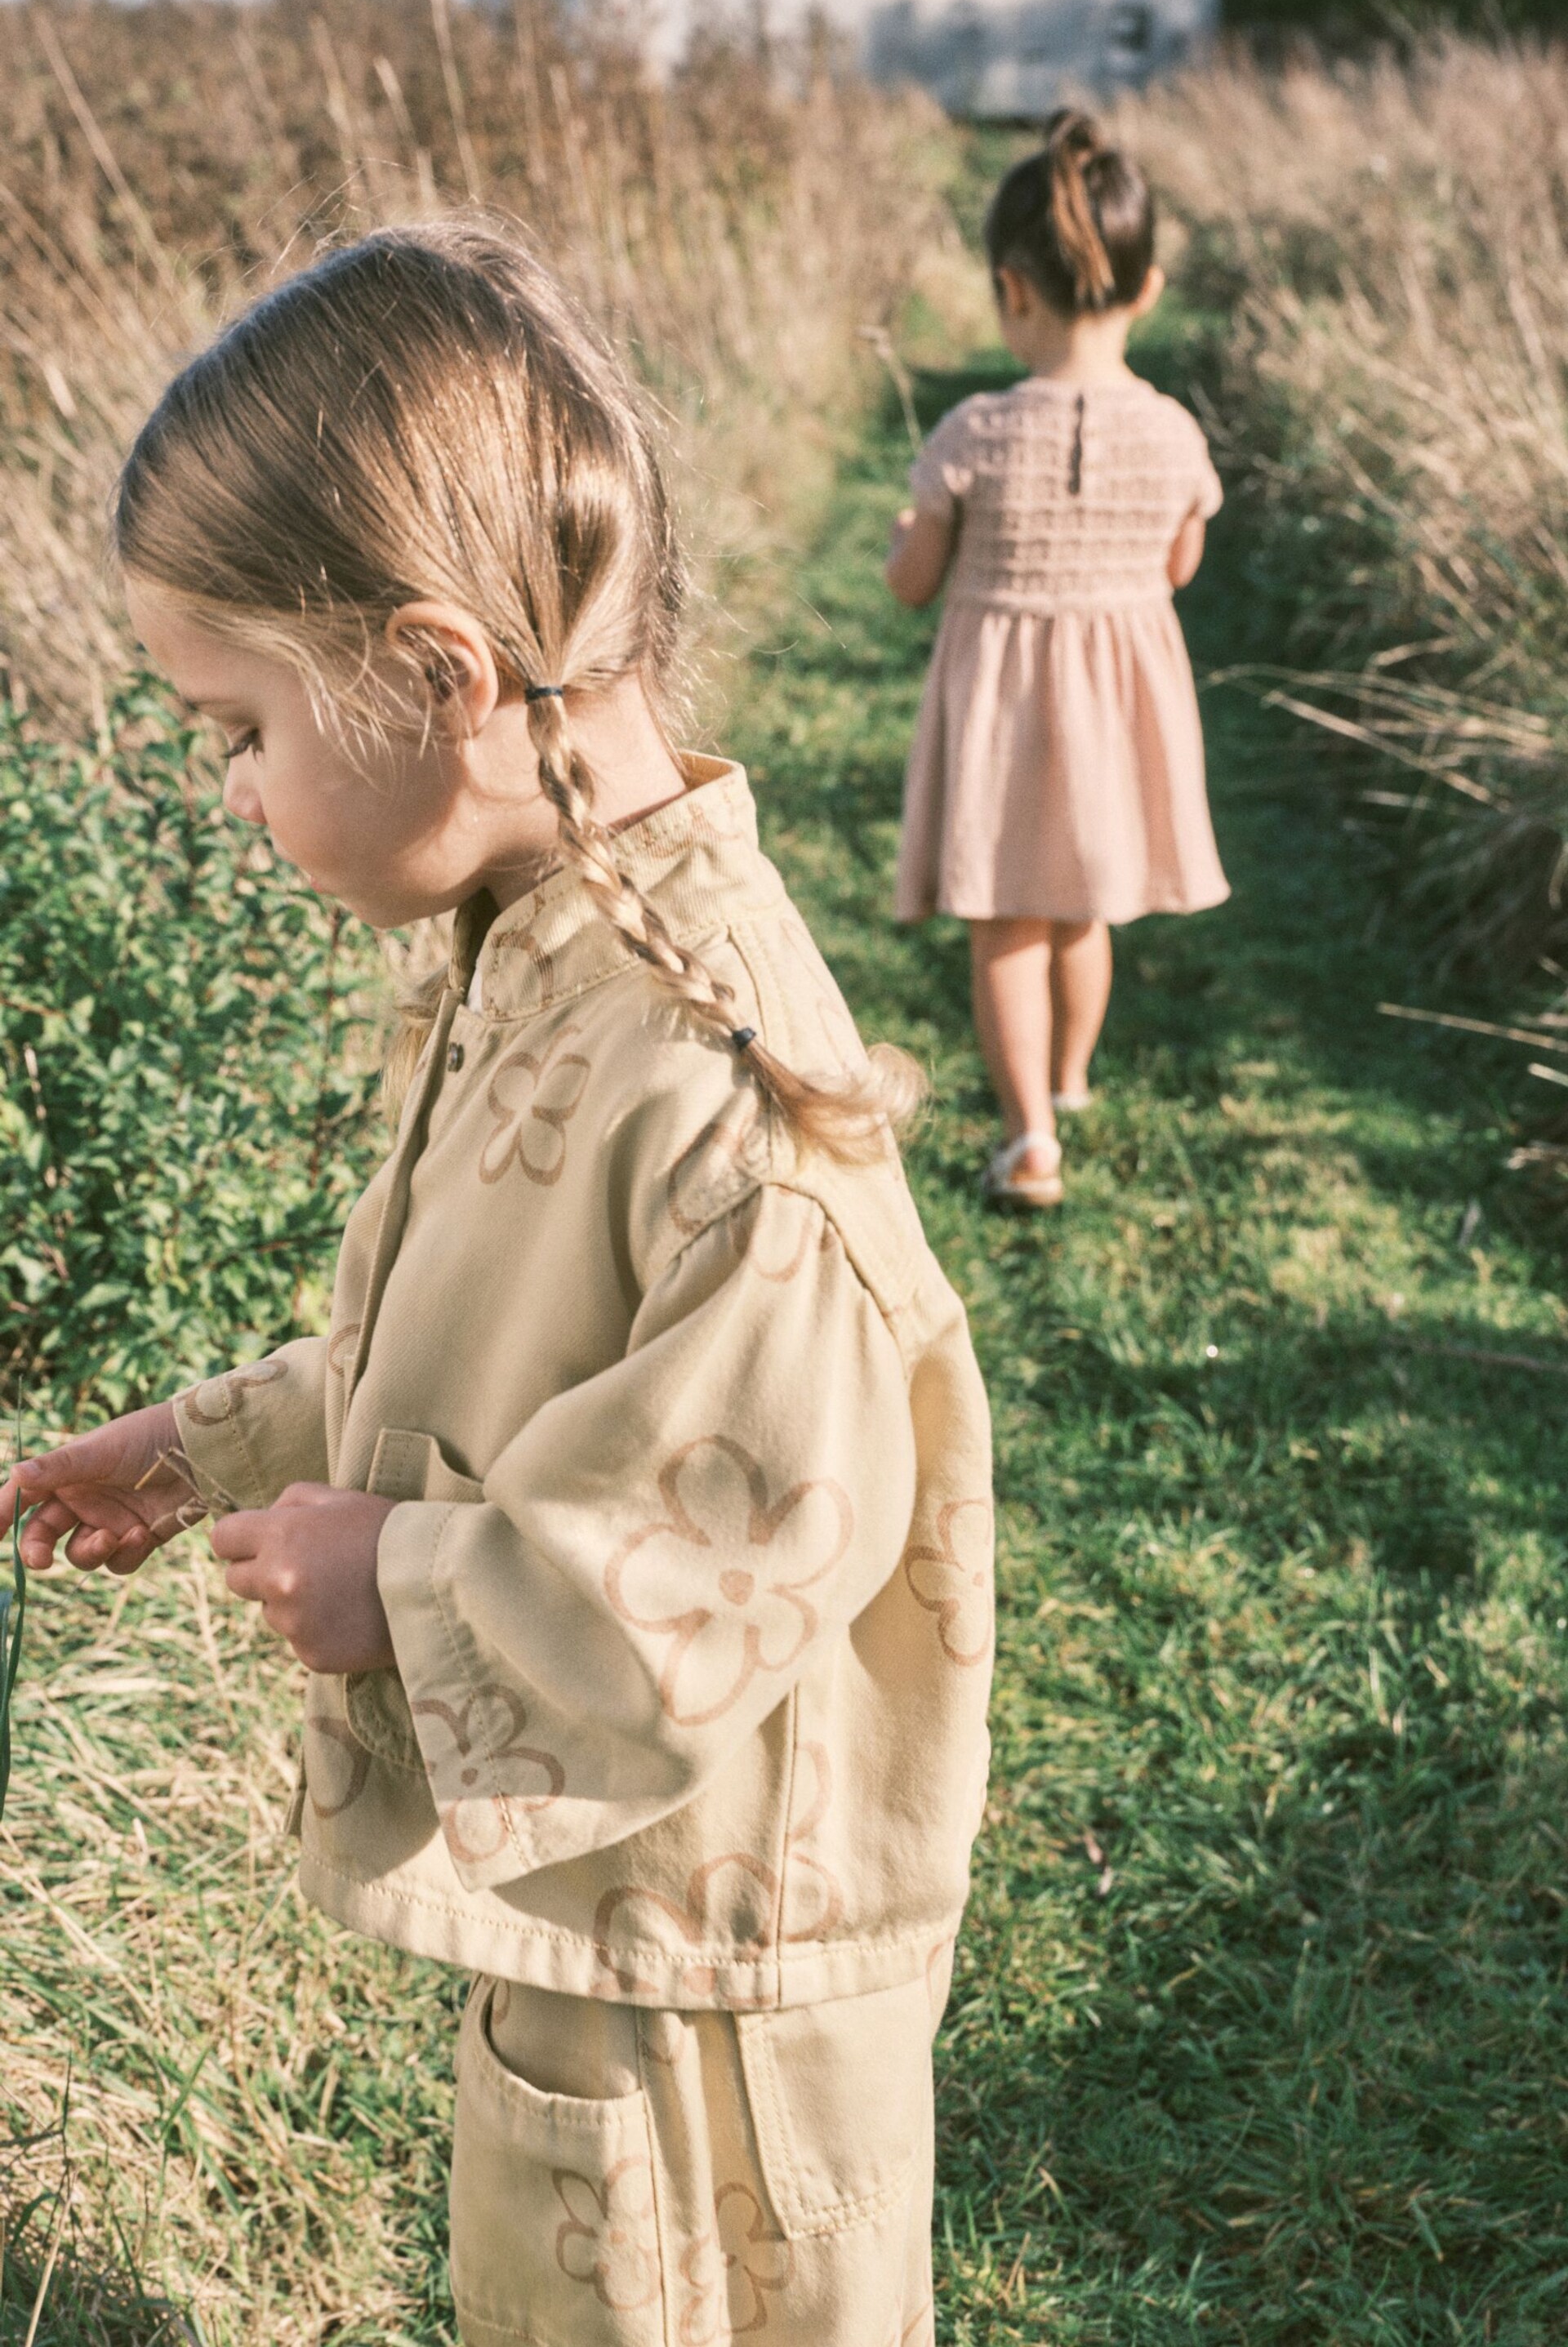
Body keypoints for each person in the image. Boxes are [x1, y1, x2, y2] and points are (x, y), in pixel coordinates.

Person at [0, 225, 994, 2347]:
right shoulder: (546, 943)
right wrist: (209, 1446)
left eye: (237, 724)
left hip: (711, 1987)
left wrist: (421, 1583)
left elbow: (760, 1528)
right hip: (617, 1930)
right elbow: (484, 1327)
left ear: (438, 678)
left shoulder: (714, 1073)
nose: (227, 787)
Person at [887, 109, 1230, 1209]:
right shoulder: (1175, 431)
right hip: (1117, 714)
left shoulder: (972, 433)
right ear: (1150, 289)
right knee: (1086, 907)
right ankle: (1072, 1084)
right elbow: (1181, 563)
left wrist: (907, 538)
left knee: (1006, 921)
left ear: (1012, 289)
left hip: (1000, 710)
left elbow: (912, 582)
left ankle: (1031, 1133)